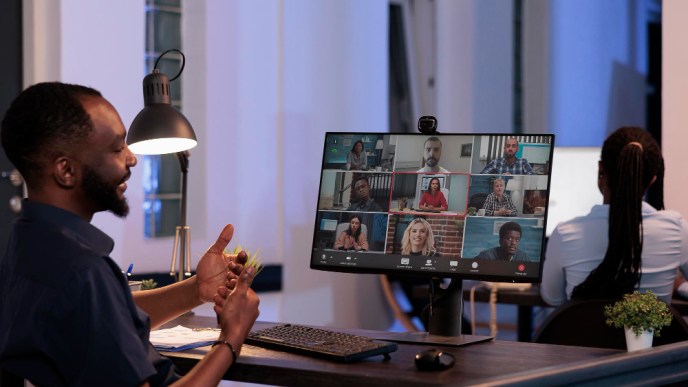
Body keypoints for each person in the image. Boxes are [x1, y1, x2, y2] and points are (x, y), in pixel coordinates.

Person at [0, 82, 260, 386]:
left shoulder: (29, 240)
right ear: (66, 171)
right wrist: (231, 337)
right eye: (116, 148)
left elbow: (102, 319)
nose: (132, 158)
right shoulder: (84, 272)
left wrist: (195, 289)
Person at [540, 127, 688, 306]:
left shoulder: (565, 233)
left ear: (601, 171)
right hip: (650, 335)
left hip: (585, 334)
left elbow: (553, 298)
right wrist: (680, 285)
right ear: (652, 180)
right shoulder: (675, 229)